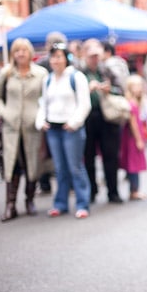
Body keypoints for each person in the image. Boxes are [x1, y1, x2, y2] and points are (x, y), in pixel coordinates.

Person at [0, 38, 48, 221]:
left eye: (24, 50)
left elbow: (46, 98)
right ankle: (10, 205)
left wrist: (41, 116)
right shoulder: (7, 73)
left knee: (32, 162)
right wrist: (4, 113)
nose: (21, 54)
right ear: (13, 54)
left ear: (30, 53)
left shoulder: (40, 74)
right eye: (17, 51)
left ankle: (29, 200)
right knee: (11, 164)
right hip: (11, 127)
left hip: (32, 126)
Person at [36, 43, 92, 219]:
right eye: (53, 57)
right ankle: (60, 203)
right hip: (53, 128)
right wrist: (41, 121)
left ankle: (82, 203)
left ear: (66, 58)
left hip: (71, 129)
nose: (55, 60)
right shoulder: (48, 79)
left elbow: (85, 103)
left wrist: (74, 122)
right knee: (59, 168)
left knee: (75, 166)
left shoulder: (77, 77)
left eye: (59, 56)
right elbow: (43, 102)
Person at [80, 39, 124, 204]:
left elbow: (121, 90)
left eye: (97, 56)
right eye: (91, 56)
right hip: (88, 118)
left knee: (110, 156)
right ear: (85, 55)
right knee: (88, 156)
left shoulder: (108, 70)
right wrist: (87, 88)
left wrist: (109, 89)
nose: (94, 59)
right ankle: (91, 190)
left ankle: (113, 191)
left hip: (107, 117)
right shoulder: (79, 72)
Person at [35, 31, 68, 195]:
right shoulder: (43, 67)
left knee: (48, 151)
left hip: (61, 116)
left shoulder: (67, 67)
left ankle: (47, 183)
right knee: (50, 151)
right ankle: (48, 183)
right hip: (49, 115)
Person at [120, 74, 147, 201]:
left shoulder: (135, 102)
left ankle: (135, 189)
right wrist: (138, 139)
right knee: (133, 164)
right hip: (132, 138)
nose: (139, 88)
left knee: (133, 163)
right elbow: (133, 124)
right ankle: (134, 190)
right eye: (136, 86)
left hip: (133, 137)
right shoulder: (132, 103)